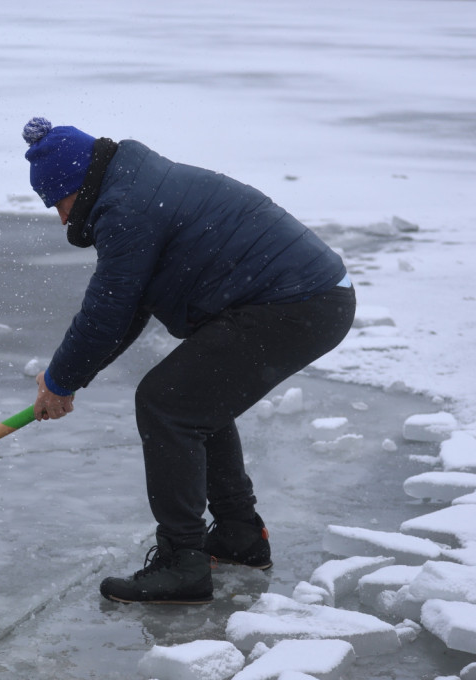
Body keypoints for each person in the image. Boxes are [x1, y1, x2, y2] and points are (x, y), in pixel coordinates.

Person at [22, 116, 355, 604]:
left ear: (75, 186)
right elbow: (129, 306)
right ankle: (240, 537)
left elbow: (108, 310)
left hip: (296, 303)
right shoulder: (134, 185)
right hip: (310, 298)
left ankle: (183, 562)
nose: (62, 218)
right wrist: (68, 379)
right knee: (195, 400)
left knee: (167, 402)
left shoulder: (126, 210)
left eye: (58, 204)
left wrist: (61, 379)